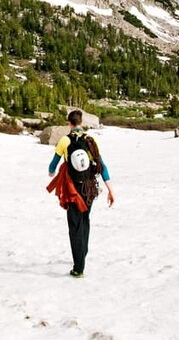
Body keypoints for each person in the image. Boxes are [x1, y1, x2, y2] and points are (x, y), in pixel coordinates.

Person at [47, 109, 115, 278]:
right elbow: (102, 166)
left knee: (75, 225)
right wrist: (110, 190)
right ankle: (82, 254)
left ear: (69, 123)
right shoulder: (90, 140)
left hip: (73, 189)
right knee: (85, 220)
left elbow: (52, 166)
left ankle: (78, 268)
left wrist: (51, 173)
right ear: (82, 122)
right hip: (89, 188)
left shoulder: (64, 140)